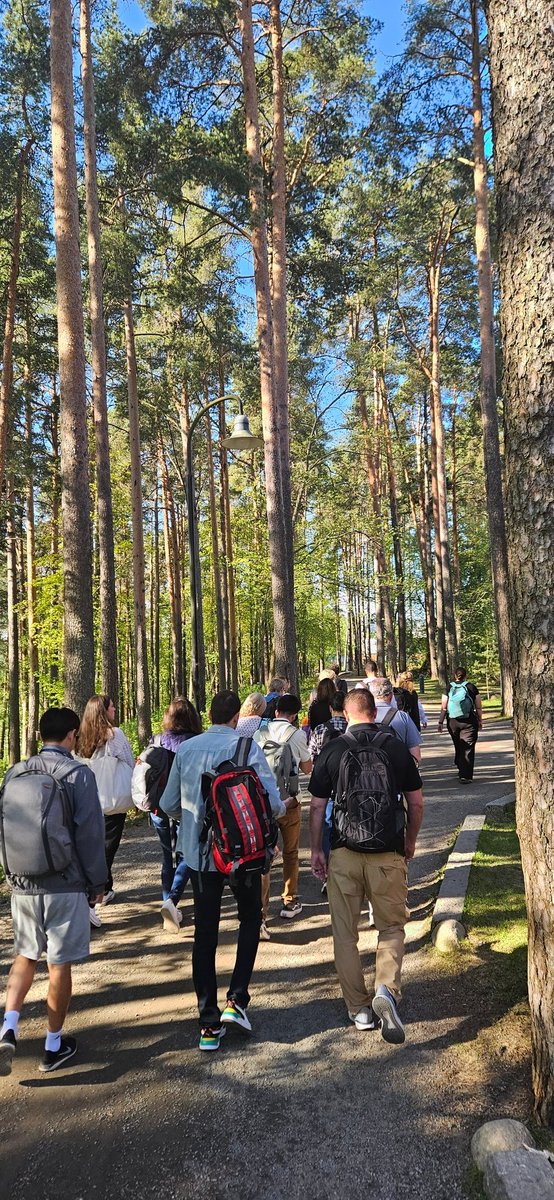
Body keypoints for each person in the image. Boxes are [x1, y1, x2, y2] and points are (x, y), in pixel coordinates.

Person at [160, 690, 288, 1051]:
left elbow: (169, 802)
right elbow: (273, 802)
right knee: (249, 919)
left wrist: (193, 822)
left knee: (205, 935)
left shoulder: (186, 750)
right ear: (236, 718)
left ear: (211, 715)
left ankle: (207, 1024)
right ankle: (237, 1000)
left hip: (201, 858)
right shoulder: (246, 749)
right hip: (241, 855)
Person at [309, 688, 423, 1044]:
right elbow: (416, 804)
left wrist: (317, 849)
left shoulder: (334, 749)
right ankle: (386, 990)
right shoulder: (394, 748)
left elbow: (316, 807)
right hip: (387, 851)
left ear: (346, 713)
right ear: (374, 712)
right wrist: (410, 841)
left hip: (344, 852)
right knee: (391, 927)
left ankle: (359, 1008)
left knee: (345, 934)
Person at [0, 707, 106, 1076]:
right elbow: (90, 835)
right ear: (72, 735)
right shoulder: (78, 774)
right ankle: (52, 1045)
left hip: (23, 883)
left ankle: (8, 1026)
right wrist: (97, 884)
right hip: (66, 883)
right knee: (58, 964)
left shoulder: (15, 772)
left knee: (25, 955)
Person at [255, 694, 312, 931]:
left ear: (276, 711)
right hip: (290, 801)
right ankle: (290, 901)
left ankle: (260, 914)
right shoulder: (297, 735)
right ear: (295, 714)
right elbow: (307, 768)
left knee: (263, 857)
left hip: (264, 803)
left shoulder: (260, 734)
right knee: (290, 853)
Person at [77, 695, 135, 926]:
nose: (115, 709)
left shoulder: (81, 738)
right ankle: (94, 895)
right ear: (104, 711)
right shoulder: (115, 735)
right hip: (111, 801)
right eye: (111, 706)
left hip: (88, 801)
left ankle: (105, 888)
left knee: (93, 847)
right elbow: (129, 761)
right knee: (107, 848)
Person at [151, 697, 202, 932]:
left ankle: (168, 905)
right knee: (185, 853)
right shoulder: (196, 742)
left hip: (159, 804)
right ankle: (172, 901)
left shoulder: (158, 740)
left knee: (165, 855)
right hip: (186, 804)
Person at [438, 666, 483, 783]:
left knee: (458, 745)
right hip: (469, 721)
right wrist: (480, 720)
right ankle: (465, 775)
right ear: (465, 675)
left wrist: (440, 722)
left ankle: (460, 766)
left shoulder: (449, 687)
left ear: (455, 675)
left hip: (452, 721)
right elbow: (478, 706)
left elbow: (444, 707)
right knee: (467, 747)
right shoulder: (471, 687)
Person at [368, 677, 422, 763]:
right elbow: (416, 755)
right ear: (391, 695)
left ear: (370, 695)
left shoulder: (361, 717)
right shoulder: (402, 717)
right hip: (398, 771)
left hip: (369, 772)